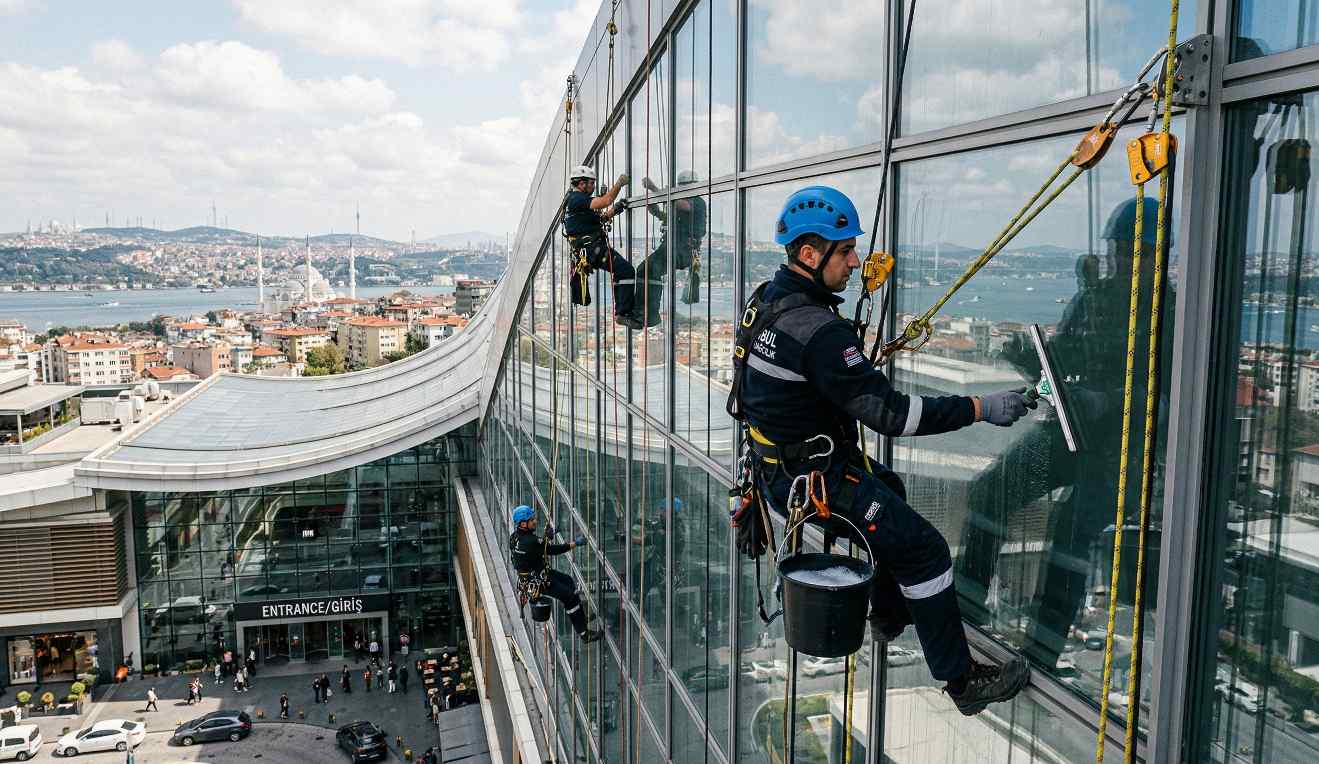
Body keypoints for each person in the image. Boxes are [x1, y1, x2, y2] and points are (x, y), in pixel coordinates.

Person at [729, 185, 1033, 717]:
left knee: (889, 488)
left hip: (782, 466)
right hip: (811, 477)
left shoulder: (767, 301)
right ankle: (963, 682)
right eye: (844, 252)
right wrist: (981, 408)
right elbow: (895, 415)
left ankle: (889, 612)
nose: (854, 261)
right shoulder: (817, 329)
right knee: (926, 550)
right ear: (810, 255)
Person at [954, 197, 1177, 672]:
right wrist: (1026, 358)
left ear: (1158, 255)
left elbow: (1172, 393)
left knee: (1071, 533)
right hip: (1072, 429)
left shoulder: (1171, 313)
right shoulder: (1094, 299)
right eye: (1119, 250)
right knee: (990, 492)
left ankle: (1043, 649)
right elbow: (1063, 362)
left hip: (1121, 450)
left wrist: (1110, 400)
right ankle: (966, 608)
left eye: (1132, 251)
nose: (1122, 260)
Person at [561, 165, 642, 327]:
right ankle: (623, 312)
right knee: (626, 270)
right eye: (591, 183)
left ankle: (623, 310)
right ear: (581, 183)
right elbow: (605, 201)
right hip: (592, 249)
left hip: (589, 250)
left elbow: (599, 219)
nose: (593, 187)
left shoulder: (574, 200)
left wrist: (615, 210)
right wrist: (619, 184)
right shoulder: (577, 198)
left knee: (621, 271)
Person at [508, 505, 600, 642]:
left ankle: (581, 616)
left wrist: (546, 538)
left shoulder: (515, 537)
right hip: (540, 581)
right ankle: (584, 634)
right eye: (531, 520)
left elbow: (534, 550)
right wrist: (575, 544)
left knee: (568, 580)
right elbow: (552, 550)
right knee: (569, 597)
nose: (535, 521)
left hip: (535, 576)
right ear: (523, 523)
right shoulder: (530, 541)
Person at [633, 172, 708, 327]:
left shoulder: (697, 202)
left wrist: (655, 189)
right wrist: (655, 211)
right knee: (642, 269)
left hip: (683, 251)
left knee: (652, 269)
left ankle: (651, 314)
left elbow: (682, 205)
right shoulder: (680, 203)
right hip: (672, 248)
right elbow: (668, 217)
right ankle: (644, 312)